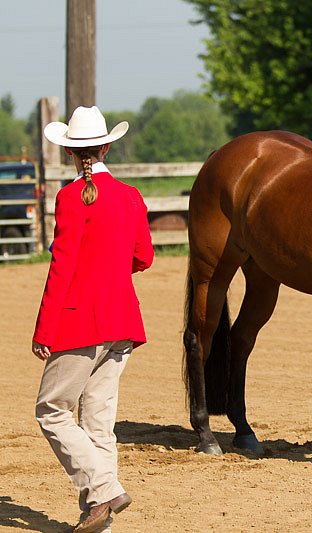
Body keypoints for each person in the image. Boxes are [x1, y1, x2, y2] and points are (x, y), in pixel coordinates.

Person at [32, 105, 153, 532]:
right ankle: (98, 509)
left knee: (52, 410)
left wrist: (44, 329)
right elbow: (144, 257)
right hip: (123, 321)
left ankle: (103, 489)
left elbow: (61, 267)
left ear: (70, 153)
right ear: (105, 146)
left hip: (79, 321)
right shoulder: (131, 196)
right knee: (98, 420)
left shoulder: (69, 198)